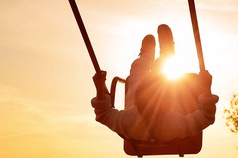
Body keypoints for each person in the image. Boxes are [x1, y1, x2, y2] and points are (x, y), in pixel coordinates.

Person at [91, 26, 219, 143]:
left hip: (136, 124)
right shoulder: (174, 124)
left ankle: (146, 56)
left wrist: (99, 88)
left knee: (137, 70)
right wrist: (206, 88)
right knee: (161, 76)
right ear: (168, 104)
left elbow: (104, 114)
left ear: (137, 101)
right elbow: (206, 117)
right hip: (165, 118)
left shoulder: (129, 121)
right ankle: (167, 55)